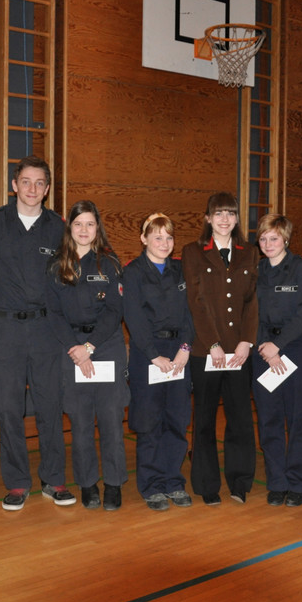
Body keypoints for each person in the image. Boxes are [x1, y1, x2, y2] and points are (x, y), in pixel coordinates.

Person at [0, 156, 74, 510]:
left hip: (46, 328)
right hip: (5, 328)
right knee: (8, 407)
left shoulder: (58, 227)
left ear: (47, 189)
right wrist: (0, 313)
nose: (32, 189)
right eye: (26, 181)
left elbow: (66, 280)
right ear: (14, 185)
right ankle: (17, 482)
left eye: (39, 183)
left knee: (50, 403)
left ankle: (53, 478)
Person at [45, 201, 129, 511]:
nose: (84, 229)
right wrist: (77, 350)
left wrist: (90, 347)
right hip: (71, 348)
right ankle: (87, 484)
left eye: (90, 224)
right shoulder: (56, 265)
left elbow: (115, 311)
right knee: (80, 422)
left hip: (105, 346)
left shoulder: (110, 263)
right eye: (78, 223)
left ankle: (114, 484)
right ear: (70, 228)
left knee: (110, 419)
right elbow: (53, 313)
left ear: (97, 228)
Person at [182, 193, 259, 505]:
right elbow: (196, 302)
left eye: (230, 213)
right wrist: (212, 343)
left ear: (237, 218)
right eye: (218, 213)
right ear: (208, 218)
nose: (225, 219)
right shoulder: (193, 252)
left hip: (239, 351)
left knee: (240, 419)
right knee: (204, 420)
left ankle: (240, 482)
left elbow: (252, 301)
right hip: (206, 351)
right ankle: (206, 484)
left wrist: (246, 340)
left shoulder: (249, 252)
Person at [122, 213, 195, 511]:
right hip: (148, 354)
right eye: (157, 237)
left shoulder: (181, 270)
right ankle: (151, 485)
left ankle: (173, 481)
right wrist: (154, 355)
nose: (164, 243)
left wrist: (185, 348)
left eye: (169, 237)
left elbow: (191, 312)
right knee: (149, 421)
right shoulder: (133, 272)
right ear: (143, 239)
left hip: (179, 353)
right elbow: (134, 317)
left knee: (176, 419)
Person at [253, 214, 302, 507]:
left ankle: (299, 482)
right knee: (269, 420)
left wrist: (278, 346)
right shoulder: (256, 271)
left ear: (286, 239)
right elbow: (249, 313)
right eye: (263, 239)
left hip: (296, 349)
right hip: (263, 352)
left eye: (274, 238)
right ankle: (277, 482)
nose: (268, 244)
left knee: (298, 420)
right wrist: (265, 346)